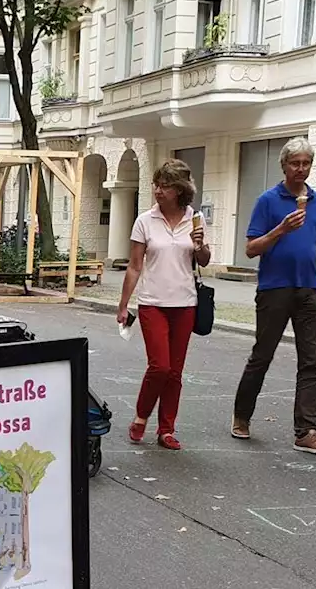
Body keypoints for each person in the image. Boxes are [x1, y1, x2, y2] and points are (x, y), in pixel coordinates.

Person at [231, 136, 316, 456]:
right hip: (275, 288)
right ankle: (242, 415)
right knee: (262, 355)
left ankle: (306, 430)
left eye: (306, 164)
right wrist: (280, 230)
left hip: (309, 290)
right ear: (284, 166)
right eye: (295, 163)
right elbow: (250, 249)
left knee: (310, 362)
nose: (301, 169)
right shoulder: (268, 201)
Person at [116, 160, 209, 451]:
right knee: (160, 366)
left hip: (185, 303)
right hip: (152, 302)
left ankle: (166, 429)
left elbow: (204, 260)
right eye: (157, 184)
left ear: (180, 190)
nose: (158, 190)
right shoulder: (145, 220)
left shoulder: (195, 219)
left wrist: (200, 246)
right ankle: (142, 416)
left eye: (165, 186)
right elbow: (134, 266)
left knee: (175, 372)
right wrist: (123, 305)